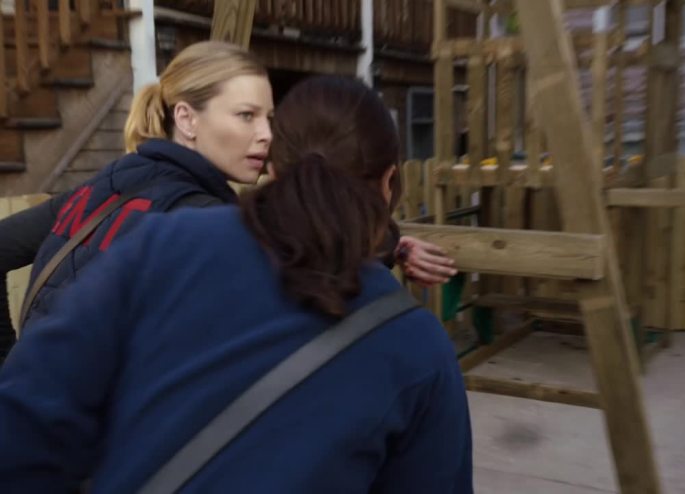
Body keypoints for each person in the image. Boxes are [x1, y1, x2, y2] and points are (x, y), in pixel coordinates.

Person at [0, 75, 473, 493]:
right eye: (244, 114)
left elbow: (26, 417)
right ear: (389, 181)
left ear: (274, 168)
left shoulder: (164, 242)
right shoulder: (419, 348)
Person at [0, 41, 455, 363]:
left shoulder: (111, 181)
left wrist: (10, 366)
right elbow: (314, 268)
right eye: (246, 116)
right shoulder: (202, 218)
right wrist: (385, 245)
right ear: (186, 118)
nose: (266, 135)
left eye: (270, 118)